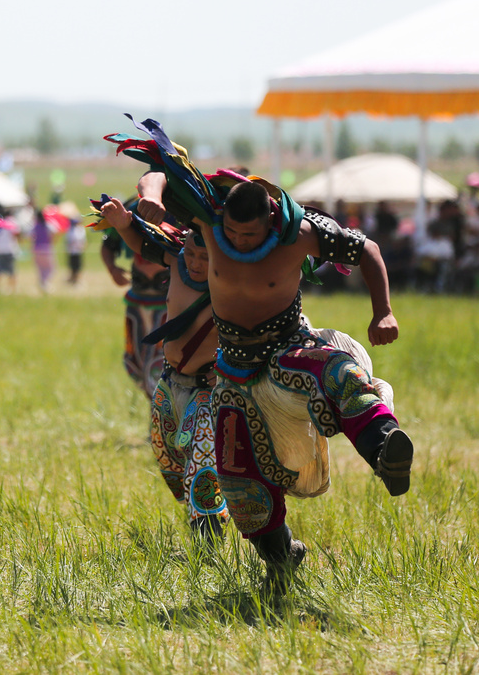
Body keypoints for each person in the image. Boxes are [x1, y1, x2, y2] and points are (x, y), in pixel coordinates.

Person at [114, 118, 411, 597]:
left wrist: (384, 312)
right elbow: (162, 166)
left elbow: (368, 250)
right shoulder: (210, 223)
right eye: (233, 232)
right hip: (232, 368)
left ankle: (385, 448)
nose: (240, 242)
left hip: (287, 346)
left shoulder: (302, 234)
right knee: (237, 477)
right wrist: (150, 195)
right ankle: (281, 557)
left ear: (270, 220)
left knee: (337, 373)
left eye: (249, 234)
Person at [96, 198, 228, 548]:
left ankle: (209, 541)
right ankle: (202, 510)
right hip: (171, 384)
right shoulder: (175, 257)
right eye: (192, 254)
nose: (197, 263)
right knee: (170, 460)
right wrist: (124, 222)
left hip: (209, 388)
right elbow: (140, 243)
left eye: (205, 256)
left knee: (202, 458)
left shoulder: (232, 276)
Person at [100, 197, 168, 400]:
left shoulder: (178, 211)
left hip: (169, 304)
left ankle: (165, 420)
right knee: (137, 360)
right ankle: (157, 417)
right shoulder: (131, 209)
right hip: (137, 301)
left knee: (163, 361)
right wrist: (112, 269)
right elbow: (109, 244)